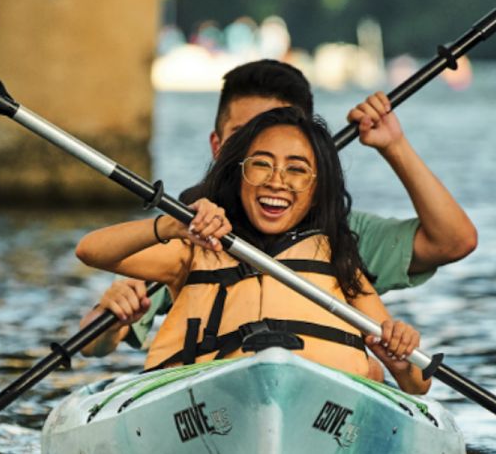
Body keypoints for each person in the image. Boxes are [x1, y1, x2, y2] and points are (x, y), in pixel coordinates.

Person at [79, 59, 476, 359]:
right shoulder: (191, 233)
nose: (272, 167)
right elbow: (94, 342)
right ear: (221, 148)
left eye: (286, 144)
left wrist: (394, 146)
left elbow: (454, 241)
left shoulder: (342, 238)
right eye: (248, 142)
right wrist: (115, 316)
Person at [77, 107, 430, 393]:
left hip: (319, 406)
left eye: (297, 169)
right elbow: (91, 251)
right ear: (237, 174)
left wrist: (401, 360)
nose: (277, 180)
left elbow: (417, 384)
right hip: (205, 401)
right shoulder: (194, 248)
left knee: (371, 372)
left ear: (317, 187)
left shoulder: (339, 259)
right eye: (261, 164)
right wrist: (169, 226)